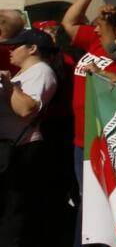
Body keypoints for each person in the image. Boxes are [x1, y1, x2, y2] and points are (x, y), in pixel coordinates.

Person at [59, 0, 116, 190]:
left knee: (98, 200)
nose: (95, 28)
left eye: (101, 25)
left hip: (105, 142)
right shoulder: (95, 40)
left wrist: (104, 74)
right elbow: (68, 24)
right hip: (81, 139)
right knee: (85, 197)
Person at [0, 28, 60, 246]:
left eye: (16, 46)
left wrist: (8, 84)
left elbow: (26, 109)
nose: (10, 50)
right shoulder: (27, 73)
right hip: (11, 148)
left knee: (13, 212)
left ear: (32, 48)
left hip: (21, 151)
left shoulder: (42, 72)